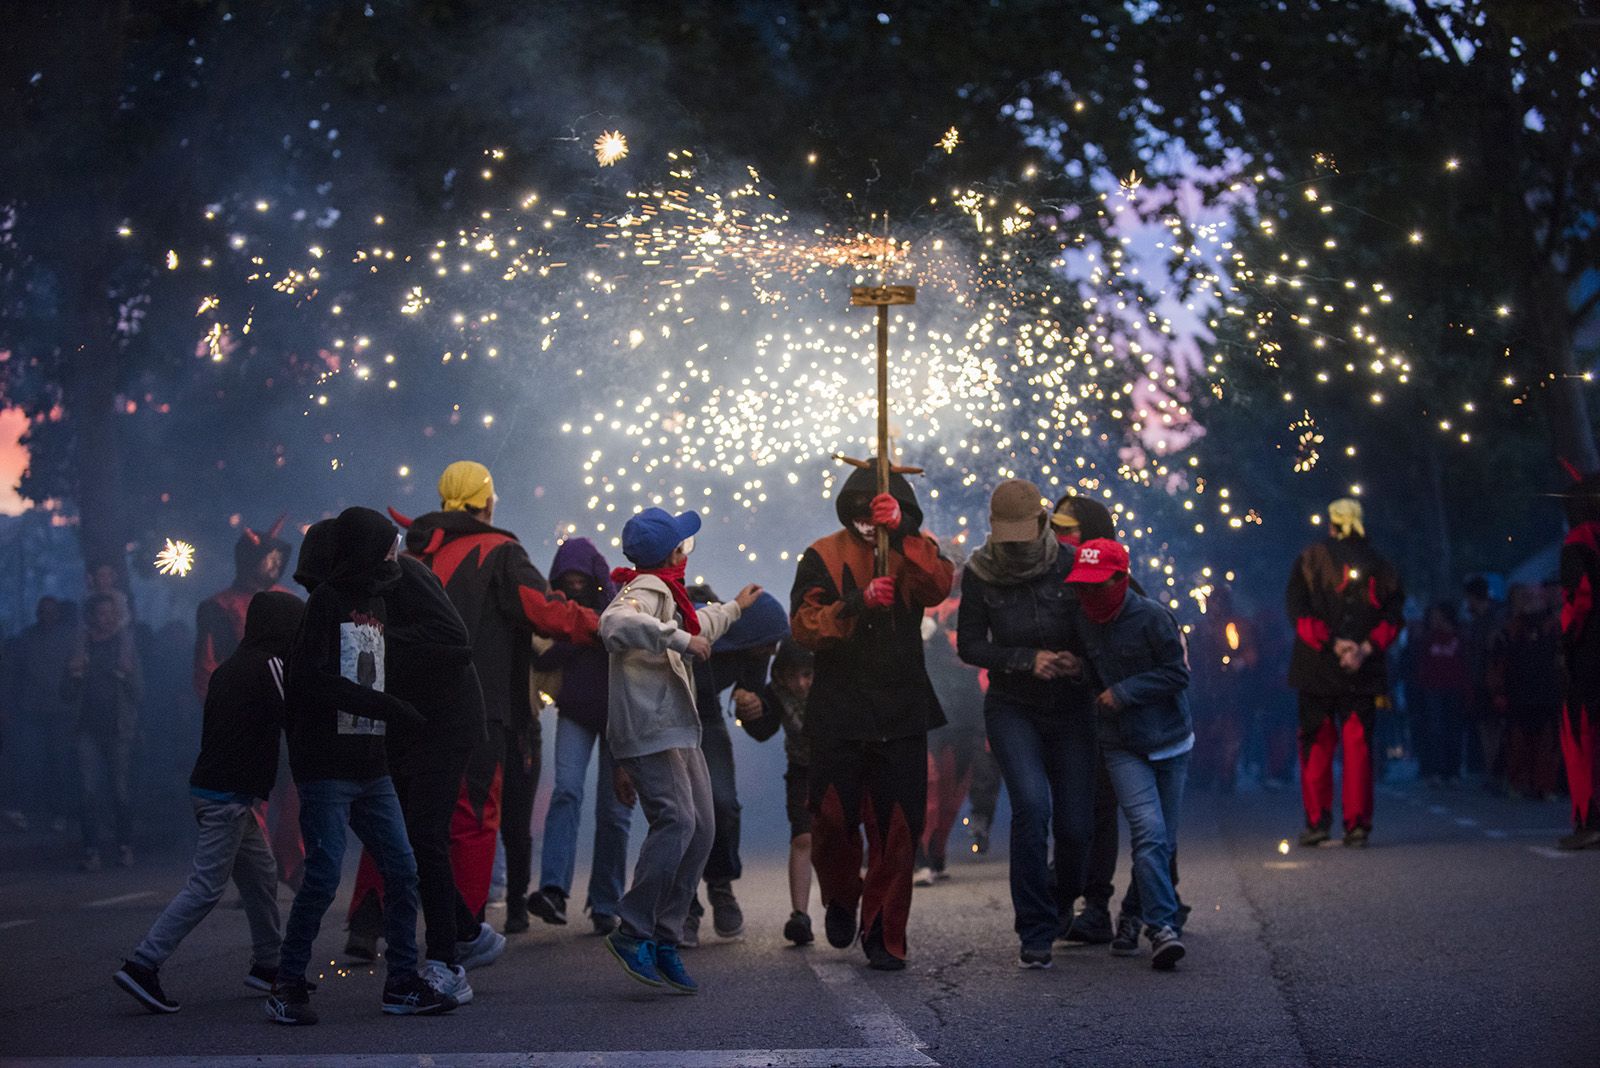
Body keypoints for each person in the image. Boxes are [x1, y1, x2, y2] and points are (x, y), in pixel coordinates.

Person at [391, 461, 599, 944]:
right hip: (476, 709)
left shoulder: (413, 554)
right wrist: (602, 625)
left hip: (406, 707)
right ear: (487, 502)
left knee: (400, 814)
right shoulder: (500, 550)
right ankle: (463, 933)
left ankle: (371, 921)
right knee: (472, 817)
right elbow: (544, 612)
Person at [268, 508, 451, 1026]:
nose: (395, 553)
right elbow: (311, 679)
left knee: (403, 869)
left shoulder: (380, 600)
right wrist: (387, 708)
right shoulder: (326, 602)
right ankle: (286, 984)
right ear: (365, 549)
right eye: (387, 545)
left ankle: (400, 983)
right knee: (323, 876)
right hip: (326, 764)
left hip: (372, 764)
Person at [790, 462, 954, 971]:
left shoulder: (913, 548)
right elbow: (804, 626)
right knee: (833, 821)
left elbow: (939, 585)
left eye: (876, 507)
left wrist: (903, 529)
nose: (868, 517)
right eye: (859, 509)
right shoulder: (821, 554)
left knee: (897, 829)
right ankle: (841, 896)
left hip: (900, 709)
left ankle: (884, 932)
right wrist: (856, 603)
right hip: (839, 710)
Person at [111, 590, 304, 1014]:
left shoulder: (231, 667)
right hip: (229, 798)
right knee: (205, 887)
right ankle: (144, 964)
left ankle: (269, 964)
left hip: (218, 791)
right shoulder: (269, 665)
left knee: (261, 875)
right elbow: (294, 715)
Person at [598, 507, 760, 993]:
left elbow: (698, 622)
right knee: (680, 821)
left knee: (704, 826)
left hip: (676, 727)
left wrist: (734, 608)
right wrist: (683, 641)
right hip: (652, 730)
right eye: (683, 546)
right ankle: (633, 929)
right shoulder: (643, 591)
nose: (686, 553)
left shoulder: (668, 593)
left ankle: (666, 936)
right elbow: (613, 624)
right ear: (670, 553)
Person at [956, 480, 1095, 969]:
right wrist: (1024, 659)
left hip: (1072, 705)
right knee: (1032, 808)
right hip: (1013, 704)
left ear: (1042, 524)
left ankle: (1058, 901)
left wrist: (1079, 663)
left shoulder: (1072, 564)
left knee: (1077, 824)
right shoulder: (979, 572)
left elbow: (1098, 629)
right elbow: (970, 645)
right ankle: (1034, 929)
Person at [341, 551, 487, 1005]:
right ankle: (464, 931)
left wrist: (377, 640)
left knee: (422, 836)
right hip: (409, 725)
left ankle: (446, 961)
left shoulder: (406, 573)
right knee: (406, 836)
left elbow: (454, 640)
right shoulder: (355, 591)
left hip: (443, 723)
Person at [1065, 537, 1192, 970]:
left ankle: (1133, 914)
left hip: (1171, 741)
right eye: (1082, 586)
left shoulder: (1154, 617)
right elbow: (1089, 672)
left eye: (1098, 586)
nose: (1089, 595)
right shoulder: (1082, 621)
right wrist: (1077, 672)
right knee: (1150, 833)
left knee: (1161, 842)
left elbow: (1177, 673)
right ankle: (1161, 928)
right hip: (1122, 746)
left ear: (1121, 580)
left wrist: (1126, 692)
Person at [525, 536, 631, 935]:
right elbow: (544, 654)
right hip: (575, 710)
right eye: (566, 578)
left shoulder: (619, 605)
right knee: (567, 792)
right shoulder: (556, 611)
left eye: (579, 578)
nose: (573, 584)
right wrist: (584, 636)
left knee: (615, 811)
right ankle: (554, 889)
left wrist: (576, 638)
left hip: (618, 715)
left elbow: (561, 650)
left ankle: (606, 901)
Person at [1285, 498, 1404, 848]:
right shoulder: (1382, 565)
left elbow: (1299, 614)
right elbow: (1394, 619)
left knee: (1317, 746)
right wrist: (1364, 649)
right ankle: (1357, 826)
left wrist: (1335, 645)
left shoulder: (1309, 559)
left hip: (1317, 670)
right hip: (1362, 671)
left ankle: (1318, 822)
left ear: (1331, 524)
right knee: (1358, 747)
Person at [193, 517, 302, 888]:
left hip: (289, 715)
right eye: (266, 557)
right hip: (245, 716)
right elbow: (208, 665)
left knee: (296, 789)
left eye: (277, 558)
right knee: (251, 796)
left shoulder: (291, 602)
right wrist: (224, 713)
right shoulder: (217, 606)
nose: (273, 564)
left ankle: (291, 864)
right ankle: (259, 871)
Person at [683, 587, 790, 944]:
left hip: (708, 715)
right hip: (669, 716)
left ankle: (721, 884)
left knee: (723, 803)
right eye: (768, 643)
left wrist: (753, 706)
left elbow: (757, 721)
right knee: (682, 813)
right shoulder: (706, 627)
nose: (772, 651)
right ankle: (685, 903)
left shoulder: (755, 651)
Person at [736, 639, 818, 944]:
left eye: (807, 675)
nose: (801, 684)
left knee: (837, 836)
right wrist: (746, 709)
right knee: (802, 837)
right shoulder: (776, 692)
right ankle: (800, 915)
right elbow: (762, 730)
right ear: (781, 676)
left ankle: (841, 905)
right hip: (801, 769)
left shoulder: (830, 686)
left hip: (838, 766)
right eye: (793, 676)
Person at [65, 591, 142, 870]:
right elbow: (66, 693)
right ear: (92, 617)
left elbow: (138, 692)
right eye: (101, 614)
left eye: (110, 613)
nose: (106, 619)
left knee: (120, 790)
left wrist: (126, 675)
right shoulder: (81, 646)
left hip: (117, 728)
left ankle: (124, 846)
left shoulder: (124, 645)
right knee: (88, 791)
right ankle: (91, 850)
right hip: (86, 727)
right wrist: (74, 675)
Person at [918, 603, 985, 886]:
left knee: (952, 795)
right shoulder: (920, 612)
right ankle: (920, 857)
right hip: (933, 716)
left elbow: (979, 655)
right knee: (929, 789)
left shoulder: (976, 604)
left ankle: (935, 854)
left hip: (967, 716)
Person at [1, 597, 77, 831]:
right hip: (31, 710)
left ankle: (59, 812)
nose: (47, 615)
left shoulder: (70, 638)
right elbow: (11, 675)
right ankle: (24, 810)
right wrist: (6, 706)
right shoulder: (26, 639)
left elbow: (77, 675)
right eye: (43, 611)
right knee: (28, 761)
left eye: (51, 611)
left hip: (60, 711)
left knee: (59, 763)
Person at [1488, 585, 1563, 801]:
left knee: (1547, 744)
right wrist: (1498, 692)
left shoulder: (1555, 629)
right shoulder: (1508, 631)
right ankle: (1517, 783)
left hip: (1548, 695)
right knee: (1517, 744)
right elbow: (1497, 664)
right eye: (1526, 598)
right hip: (1517, 696)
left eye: (1536, 598)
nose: (1531, 602)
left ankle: (1544, 786)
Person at [1557, 471, 1600, 848]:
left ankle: (1589, 819)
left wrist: (1566, 639)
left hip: (1590, 652)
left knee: (1582, 735)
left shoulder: (1580, 541)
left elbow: (1580, 595)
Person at [1410, 601, 1470, 785]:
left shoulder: (1459, 636)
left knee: (1453, 729)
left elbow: (1464, 663)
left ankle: (1453, 770)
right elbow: (1420, 663)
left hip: (1454, 687)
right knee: (1435, 729)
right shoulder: (1427, 638)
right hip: (1432, 688)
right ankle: (1436, 769)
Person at [1460, 575, 1506, 783]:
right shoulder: (1478, 621)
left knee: (1495, 728)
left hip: (1494, 680)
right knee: (1485, 727)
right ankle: (1490, 770)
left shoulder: (1495, 619)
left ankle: (1495, 771)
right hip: (1479, 680)